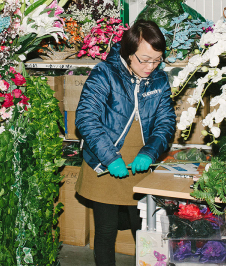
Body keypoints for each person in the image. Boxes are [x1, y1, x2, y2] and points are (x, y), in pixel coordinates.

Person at [75, 19, 176, 266]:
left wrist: (150, 153)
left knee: (143, 228)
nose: (150, 66)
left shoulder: (159, 81)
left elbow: (165, 124)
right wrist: (110, 157)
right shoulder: (104, 74)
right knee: (107, 230)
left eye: (157, 59)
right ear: (129, 53)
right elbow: (86, 119)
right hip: (104, 162)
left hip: (140, 166)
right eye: (144, 59)